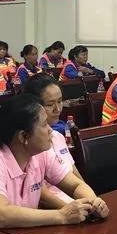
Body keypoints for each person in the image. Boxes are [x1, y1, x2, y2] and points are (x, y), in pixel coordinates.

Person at [0, 95, 109, 234]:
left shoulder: (41, 153)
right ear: (23, 136)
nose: (50, 130)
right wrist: (61, 215)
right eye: (44, 124)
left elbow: (75, 185)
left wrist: (92, 203)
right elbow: (0, 214)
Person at [23, 74, 90, 205]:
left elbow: (76, 177)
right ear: (34, 106)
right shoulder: (30, 144)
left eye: (59, 101)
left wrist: (91, 200)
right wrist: (70, 209)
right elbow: (40, 194)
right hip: (52, 210)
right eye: (50, 104)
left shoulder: (58, 137)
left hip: (74, 205)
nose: (58, 109)